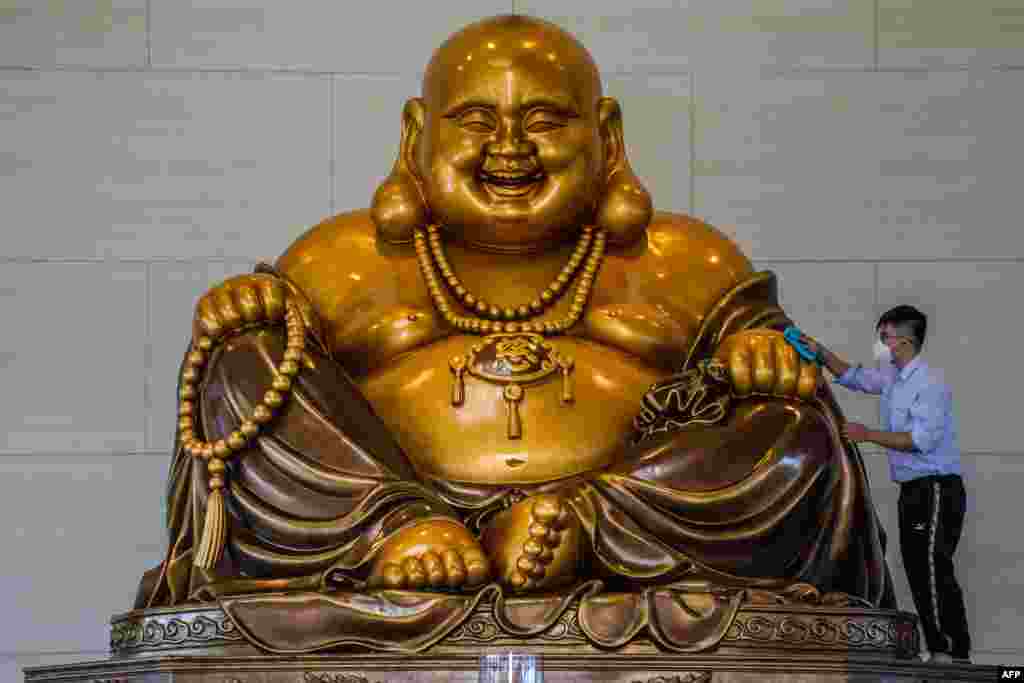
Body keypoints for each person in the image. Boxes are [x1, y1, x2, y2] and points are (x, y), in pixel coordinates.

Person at [131, 14, 895, 651]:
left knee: (801, 437)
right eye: (475, 119)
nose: (511, 146)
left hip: (625, 511)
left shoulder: (683, 258)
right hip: (384, 509)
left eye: (544, 119)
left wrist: (758, 353)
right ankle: (395, 533)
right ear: (414, 136)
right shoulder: (343, 257)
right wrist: (245, 309)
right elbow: (263, 368)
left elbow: (785, 360)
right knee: (238, 366)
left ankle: (580, 530)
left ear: (608, 136)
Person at [802, 306, 971, 663]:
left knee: (931, 565)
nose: (880, 345)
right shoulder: (894, 376)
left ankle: (951, 651)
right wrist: (819, 351)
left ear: (905, 341)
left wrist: (867, 435)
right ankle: (944, 648)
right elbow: (855, 377)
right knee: (917, 566)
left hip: (936, 488)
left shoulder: (929, 382)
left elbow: (919, 440)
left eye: (885, 338)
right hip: (913, 489)